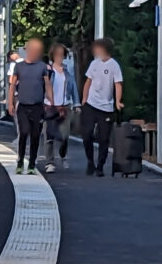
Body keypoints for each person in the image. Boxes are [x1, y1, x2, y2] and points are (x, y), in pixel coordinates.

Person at [7, 39, 50, 174]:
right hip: (23, 106)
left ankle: (32, 164)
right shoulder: (19, 67)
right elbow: (12, 85)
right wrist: (10, 103)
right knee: (24, 132)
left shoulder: (42, 67)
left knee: (36, 135)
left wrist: (51, 101)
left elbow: (47, 85)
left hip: (37, 106)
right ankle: (20, 161)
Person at [82, 37, 122, 176]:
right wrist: (84, 99)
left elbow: (118, 84)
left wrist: (117, 101)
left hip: (106, 107)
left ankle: (100, 166)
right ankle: (90, 162)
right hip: (91, 104)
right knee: (86, 134)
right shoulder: (94, 64)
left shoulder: (114, 65)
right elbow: (88, 81)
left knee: (103, 138)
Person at [44, 43, 75, 171]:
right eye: (57, 55)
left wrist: (77, 103)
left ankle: (63, 154)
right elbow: (42, 87)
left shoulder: (67, 71)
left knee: (64, 135)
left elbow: (73, 88)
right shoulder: (48, 70)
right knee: (49, 136)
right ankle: (49, 163)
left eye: (62, 55)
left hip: (65, 106)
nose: (60, 57)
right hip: (50, 106)